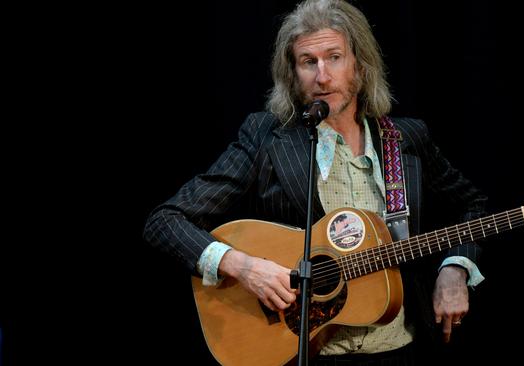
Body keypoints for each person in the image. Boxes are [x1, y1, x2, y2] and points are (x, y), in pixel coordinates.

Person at [143, 0, 488, 364]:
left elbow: (472, 204)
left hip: (401, 347)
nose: (322, 77)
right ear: (293, 73)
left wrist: (455, 269)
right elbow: (165, 221)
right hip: (305, 350)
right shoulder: (265, 136)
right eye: (309, 62)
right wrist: (243, 267)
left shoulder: (405, 139)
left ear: (359, 64)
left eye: (334, 57)